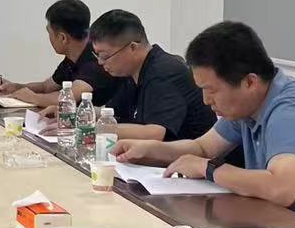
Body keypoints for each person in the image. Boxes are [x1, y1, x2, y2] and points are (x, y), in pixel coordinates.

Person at [113, 20, 295, 223]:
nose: (206, 101)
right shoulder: (249, 105)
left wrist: (209, 170)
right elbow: (203, 148)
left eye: (211, 90)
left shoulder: (289, 112)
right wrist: (150, 149)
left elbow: (281, 188)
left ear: (249, 82)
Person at [83, 9, 217, 142]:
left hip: (190, 152)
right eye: (97, 55)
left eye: (104, 56)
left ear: (132, 47)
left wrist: (93, 129)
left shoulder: (164, 73)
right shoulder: (131, 72)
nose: (100, 62)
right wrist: (82, 114)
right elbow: (110, 112)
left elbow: (154, 133)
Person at [0, 0, 116, 108]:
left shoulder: (96, 59)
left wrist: (33, 97)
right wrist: (16, 87)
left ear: (62, 38)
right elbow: (47, 87)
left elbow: (66, 99)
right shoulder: (73, 56)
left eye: (49, 32)